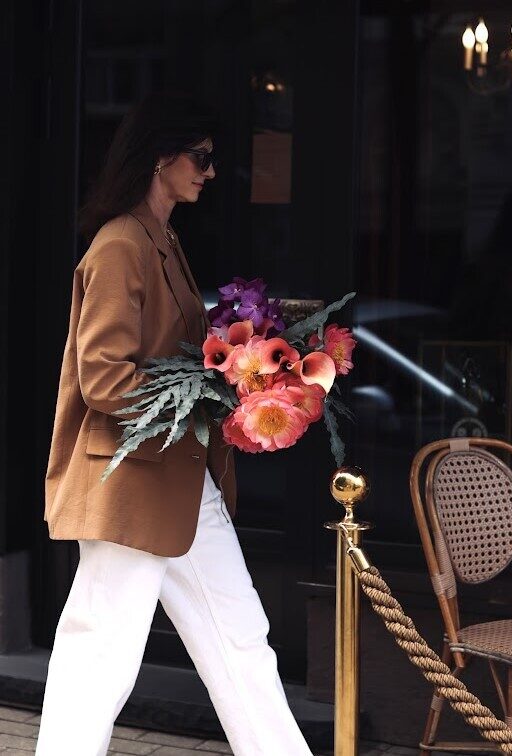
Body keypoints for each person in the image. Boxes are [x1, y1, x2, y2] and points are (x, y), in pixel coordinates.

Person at [38, 93, 313, 756]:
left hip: (181, 484)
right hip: (131, 488)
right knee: (98, 659)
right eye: (201, 157)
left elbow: (185, 355)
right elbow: (103, 377)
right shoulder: (118, 247)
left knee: (242, 639)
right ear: (160, 156)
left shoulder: (160, 239)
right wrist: (206, 399)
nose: (210, 173)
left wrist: (237, 380)